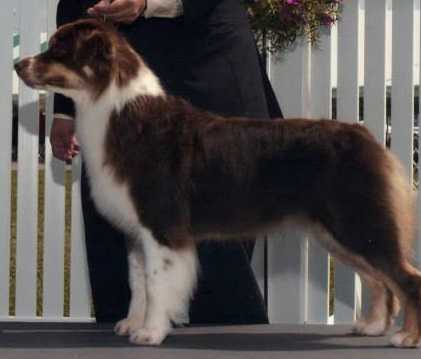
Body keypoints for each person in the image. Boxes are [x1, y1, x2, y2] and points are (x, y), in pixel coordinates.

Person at [52, 0, 283, 324]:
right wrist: (65, 106)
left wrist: (150, 3)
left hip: (205, 67)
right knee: (117, 259)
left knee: (219, 273)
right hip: (116, 98)